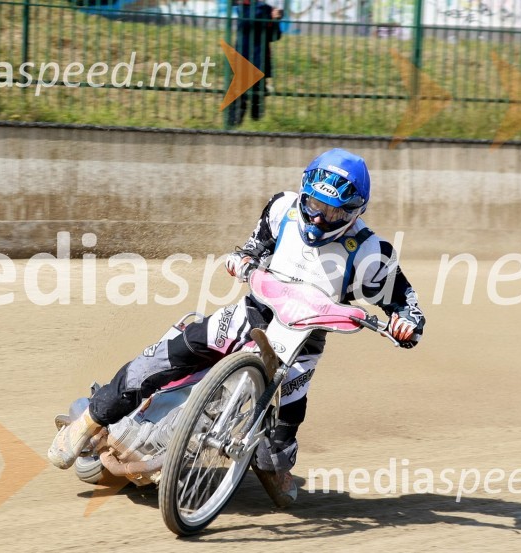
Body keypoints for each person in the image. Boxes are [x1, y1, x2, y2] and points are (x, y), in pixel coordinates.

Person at [48, 148, 425, 507]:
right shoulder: (282, 209)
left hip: (302, 343)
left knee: (286, 424)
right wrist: (243, 259)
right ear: (304, 192)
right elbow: (253, 247)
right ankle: (88, 421)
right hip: (250, 311)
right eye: (313, 205)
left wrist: (406, 324)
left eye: (332, 213)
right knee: (160, 359)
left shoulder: (370, 252)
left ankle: (274, 466)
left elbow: (405, 302)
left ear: (356, 211)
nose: (318, 219)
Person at [227, 0, 283, 127]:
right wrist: (269, 15)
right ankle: (231, 127)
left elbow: (275, 36)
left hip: (261, 59)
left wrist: (275, 21)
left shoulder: (266, 9)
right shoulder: (243, 6)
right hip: (244, 57)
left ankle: (256, 123)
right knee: (238, 96)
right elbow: (248, 21)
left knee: (258, 98)